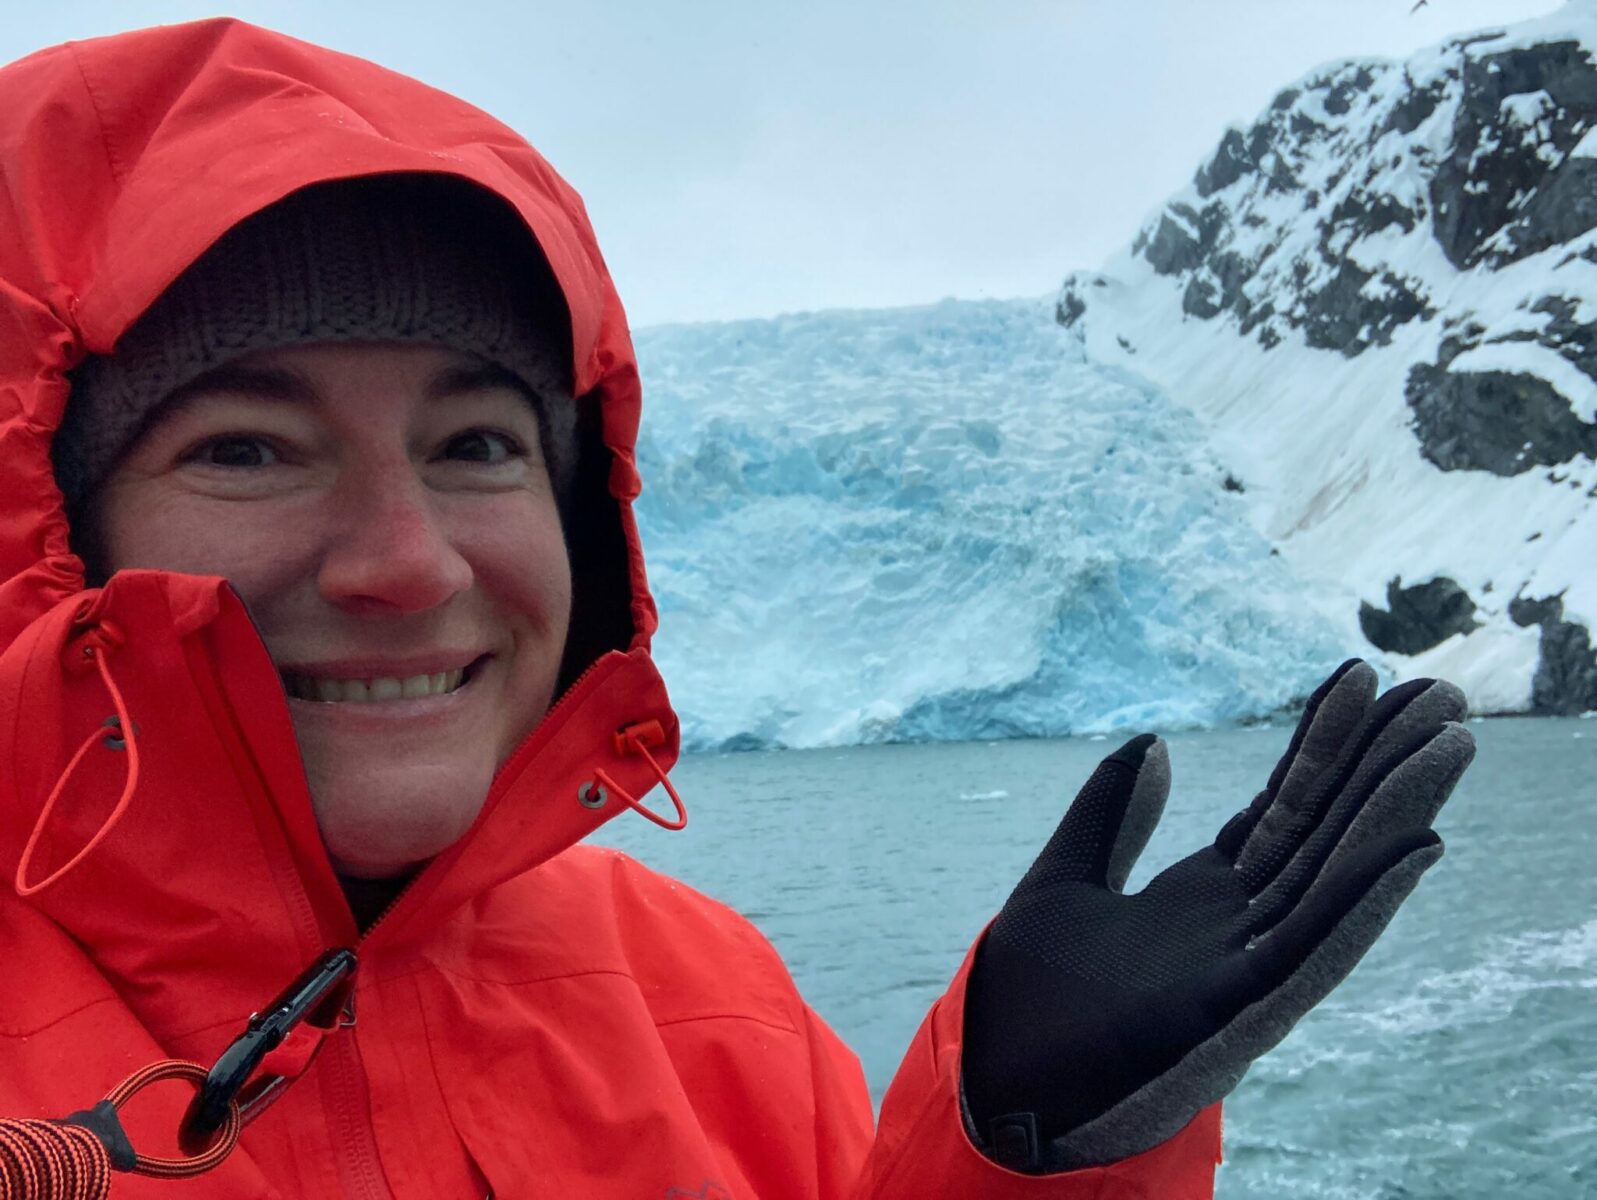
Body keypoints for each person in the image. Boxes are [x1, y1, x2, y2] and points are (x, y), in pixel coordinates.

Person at [0, 18, 1476, 1199]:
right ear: (47, 518)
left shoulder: (707, 1002)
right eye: (245, 449)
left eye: (476, 447)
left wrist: (1036, 1164)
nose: (411, 562)